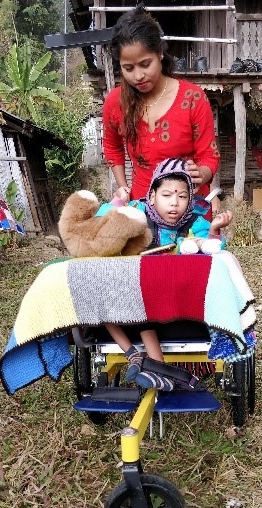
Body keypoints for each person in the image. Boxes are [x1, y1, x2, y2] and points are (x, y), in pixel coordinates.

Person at [95, 157, 233, 391]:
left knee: (143, 312)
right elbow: (101, 221)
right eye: (166, 195)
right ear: (151, 196)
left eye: (182, 197)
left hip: (175, 301)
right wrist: (118, 201)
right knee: (97, 297)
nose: (174, 204)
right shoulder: (135, 213)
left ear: (190, 199)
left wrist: (213, 231)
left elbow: (212, 253)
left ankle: (154, 367)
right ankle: (136, 357)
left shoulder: (195, 224)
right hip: (134, 297)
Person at [102, 5, 220, 220]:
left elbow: (209, 155)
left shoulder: (193, 98)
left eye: (145, 64)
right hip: (143, 210)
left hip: (191, 210)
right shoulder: (115, 102)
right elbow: (111, 147)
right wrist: (122, 187)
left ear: (160, 53)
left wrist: (201, 174)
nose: (138, 76)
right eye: (128, 68)